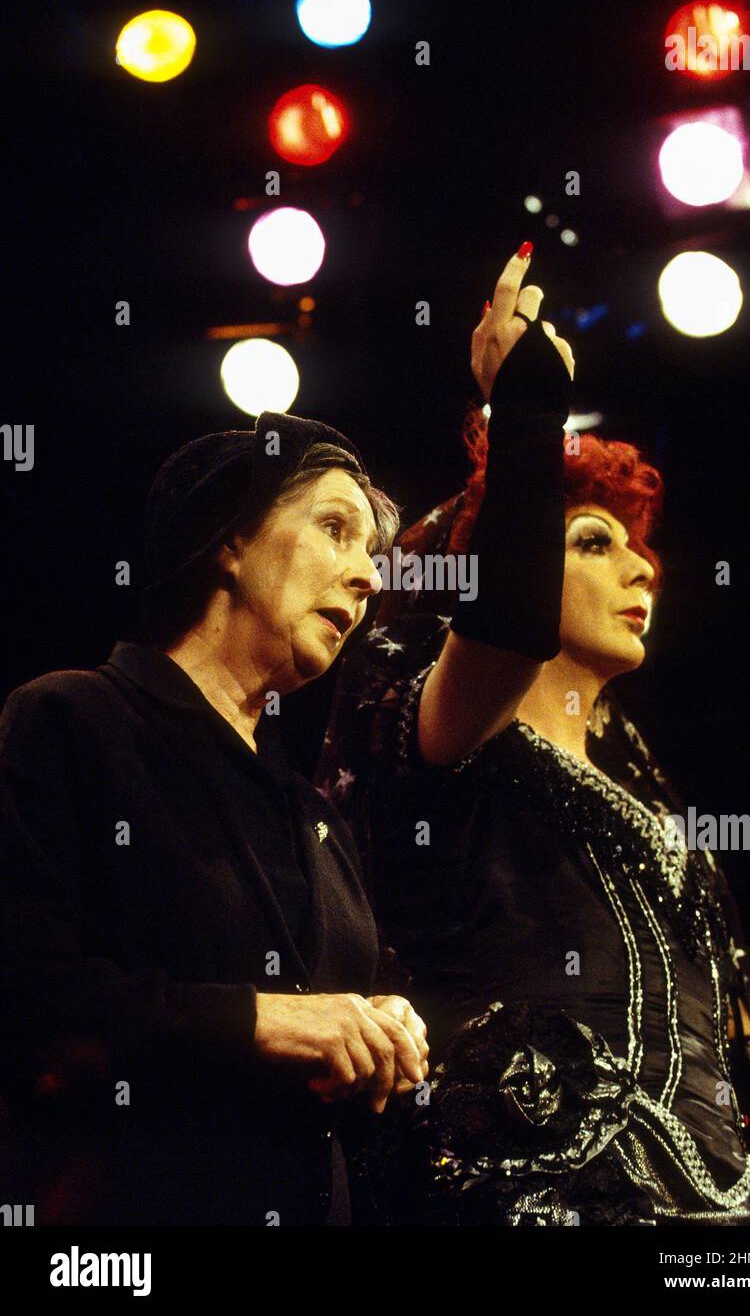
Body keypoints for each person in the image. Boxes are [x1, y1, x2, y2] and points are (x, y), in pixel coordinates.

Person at [317, 246, 750, 1226]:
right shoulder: (439, 734)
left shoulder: (651, 788)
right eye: (594, 541)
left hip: (723, 1213)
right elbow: (504, 623)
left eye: (640, 547)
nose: (642, 570)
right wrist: (527, 406)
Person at [0, 411, 428, 1226]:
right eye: (334, 530)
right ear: (228, 539)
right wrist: (264, 1019)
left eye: (371, 555)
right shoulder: (74, 718)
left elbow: (325, 1043)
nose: (367, 578)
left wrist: (381, 1036)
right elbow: (27, 1001)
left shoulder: (311, 816)